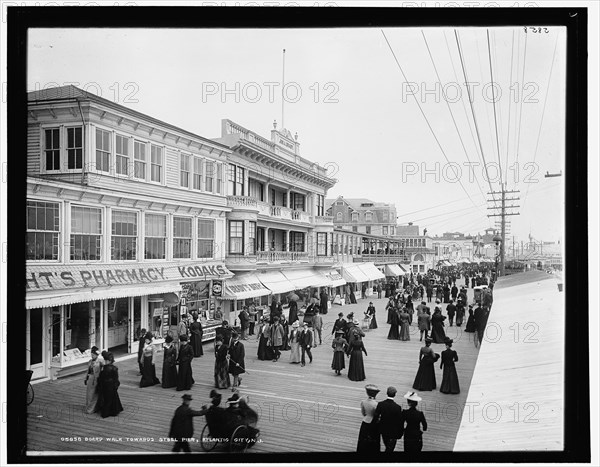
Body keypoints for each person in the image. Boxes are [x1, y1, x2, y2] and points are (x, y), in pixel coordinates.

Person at [373, 386, 404, 453]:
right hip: (393, 431)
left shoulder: (381, 404)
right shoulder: (397, 407)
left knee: (387, 444)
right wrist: (400, 433)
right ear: (395, 395)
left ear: (387, 393)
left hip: (383, 429)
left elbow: (376, 416)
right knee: (390, 448)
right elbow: (400, 421)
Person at [98, 352, 123, 418]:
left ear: (108, 361)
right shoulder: (114, 368)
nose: (105, 361)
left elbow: (101, 377)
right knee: (112, 398)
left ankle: (106, 412)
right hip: (111, 385)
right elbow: (116, 378)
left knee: (106, 399)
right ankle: (113, 411)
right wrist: (116, 385)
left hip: (105, 385)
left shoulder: (103, 368)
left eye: (106, 360)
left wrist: (100, 385)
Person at [356, 384, 380, 453]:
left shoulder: (363, 402)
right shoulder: (376, 404)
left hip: (365, 421)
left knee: (363, 439)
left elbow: (363, 413)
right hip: (373, 423)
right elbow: (377, 415)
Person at [85, 346, 102, 414]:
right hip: (90, 378)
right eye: (91, 354)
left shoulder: (100, 362)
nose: (92, 356)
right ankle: (88, 407)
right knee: (89, 394)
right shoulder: (90, 361)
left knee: (95, 394)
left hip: (96, 379)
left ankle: (93, 408)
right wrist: (86, 378)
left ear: (97, 355)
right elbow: (87, 371)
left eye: (94, 354)